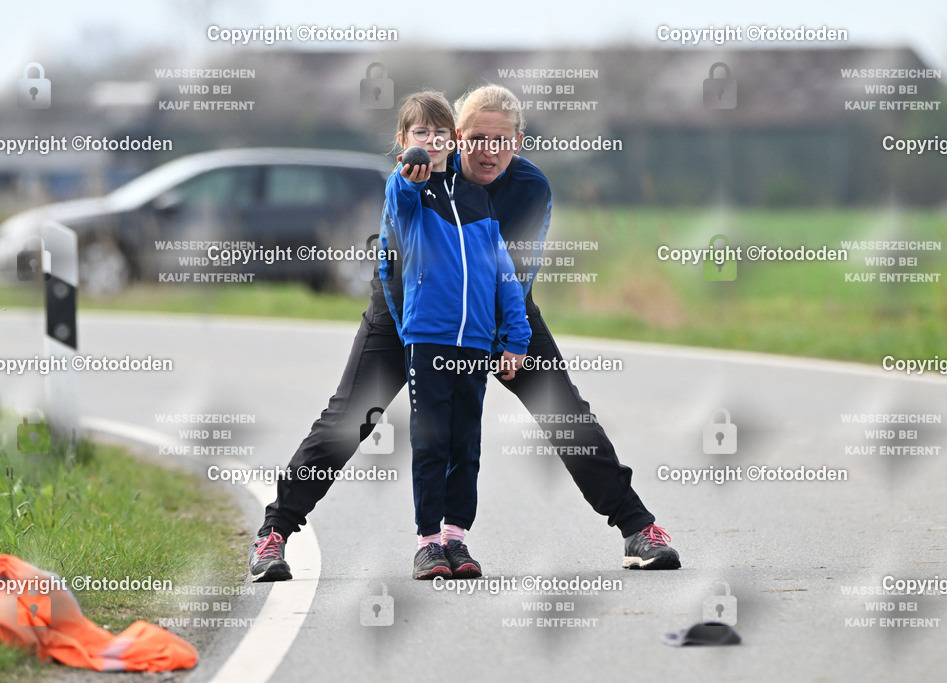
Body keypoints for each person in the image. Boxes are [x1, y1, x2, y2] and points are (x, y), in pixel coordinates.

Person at [249, 84, 680, 582]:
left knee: (566, 415)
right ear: (456, 137)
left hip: (499, 311)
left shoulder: (530, 187)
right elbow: (394, 265)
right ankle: (273, 534)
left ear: (517, 142)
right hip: (409, 315)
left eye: (501, 140)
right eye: (476, 138)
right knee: (350, 419)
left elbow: (516, 273)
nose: (488, 150)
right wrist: (414, 340)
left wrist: (512, 342)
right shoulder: (421, 173)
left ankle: (639, 529)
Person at [380, 91, 530, 579]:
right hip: (428, 339)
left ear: (455, 140)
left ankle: (456, 540)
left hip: (475, 343)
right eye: (420, 134)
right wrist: (410, 174)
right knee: (431, 444)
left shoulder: (476, 198)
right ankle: (427, 543)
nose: (431, 141)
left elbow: (502, 269)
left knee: (466, 444)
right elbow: (398, 202)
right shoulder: (407, 192)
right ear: (403, 142)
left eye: (440, 134)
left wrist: (516, 336)